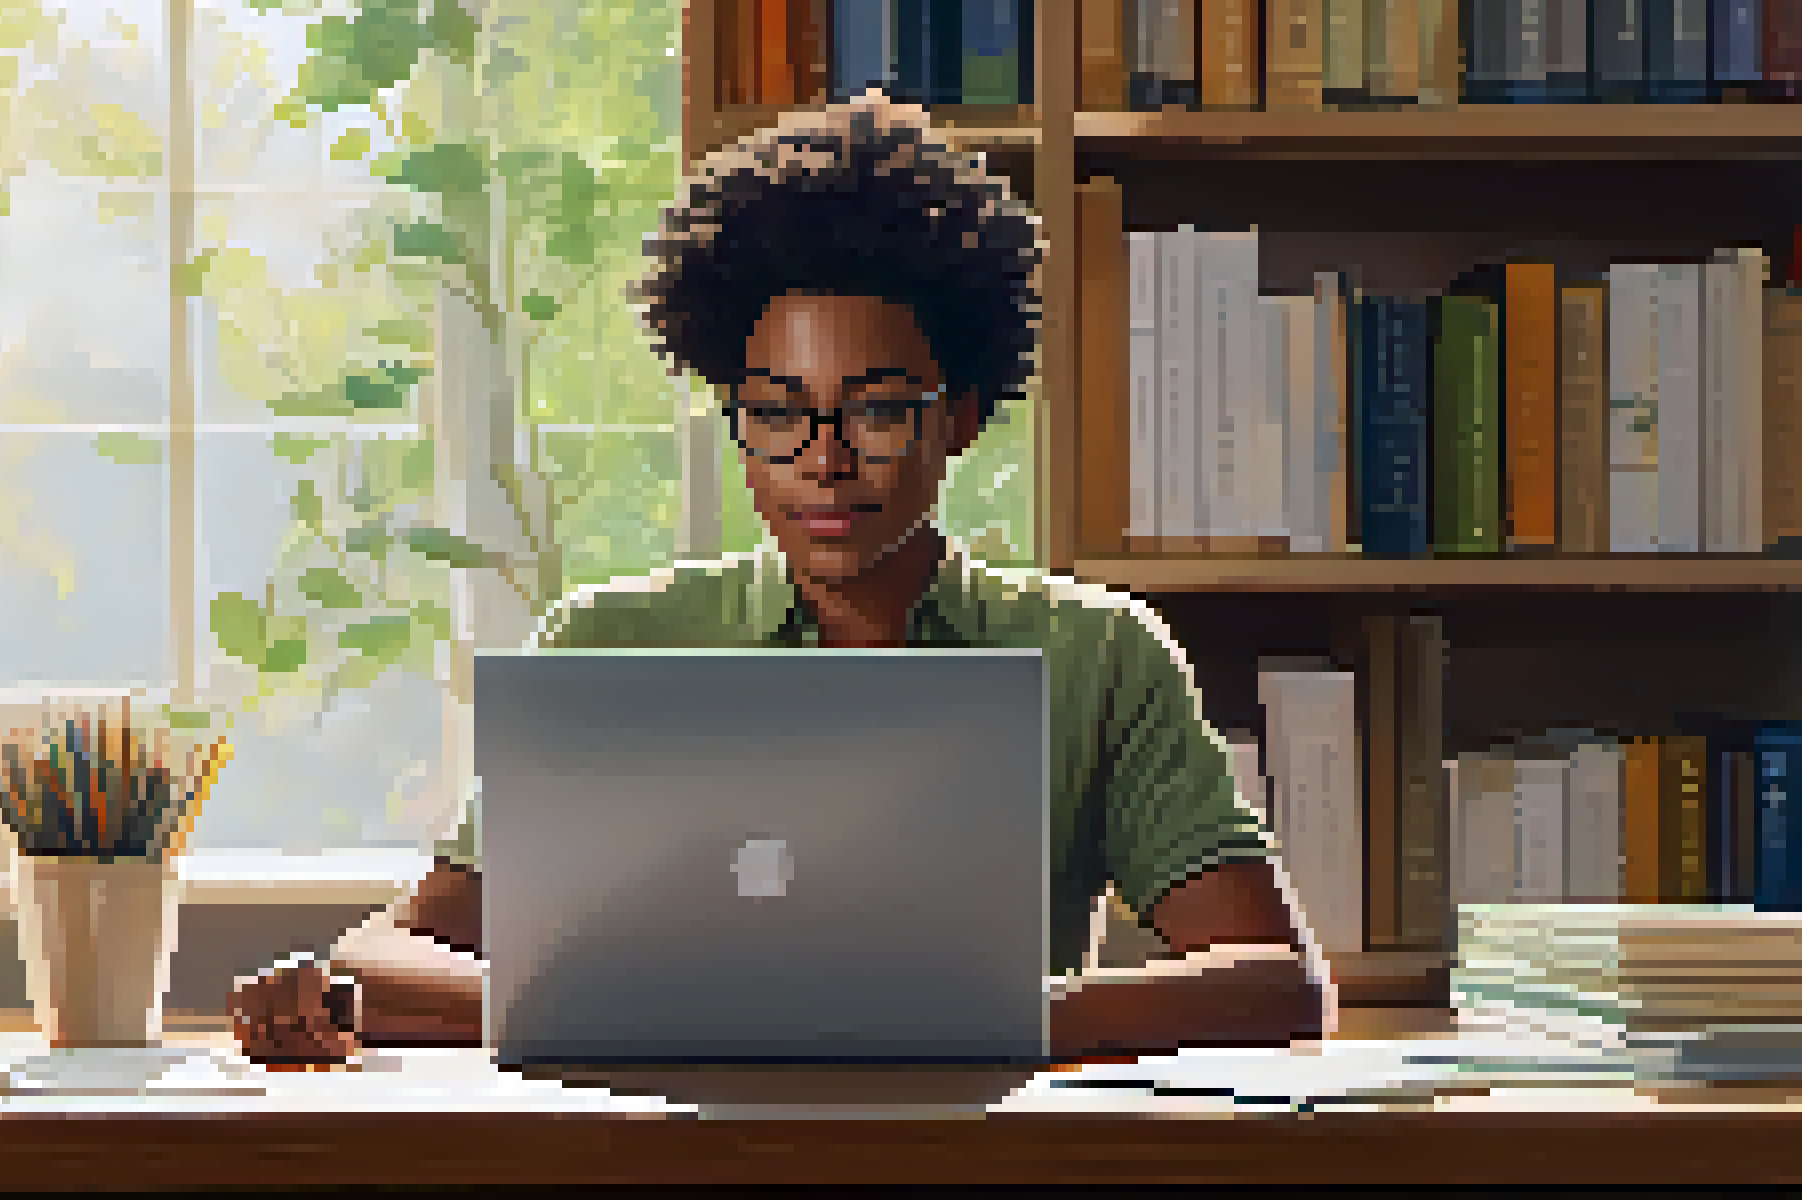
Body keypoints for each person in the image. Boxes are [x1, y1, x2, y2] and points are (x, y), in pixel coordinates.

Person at [229, 92, 1328, 1064]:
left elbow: (1275, 981)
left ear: (958, 420)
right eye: (776, 413)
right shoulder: (613, 645)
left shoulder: (1096, 655)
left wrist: (999, 1017)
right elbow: (386, 952)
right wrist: (603, 1010)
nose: (824, 459)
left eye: (879, 410)